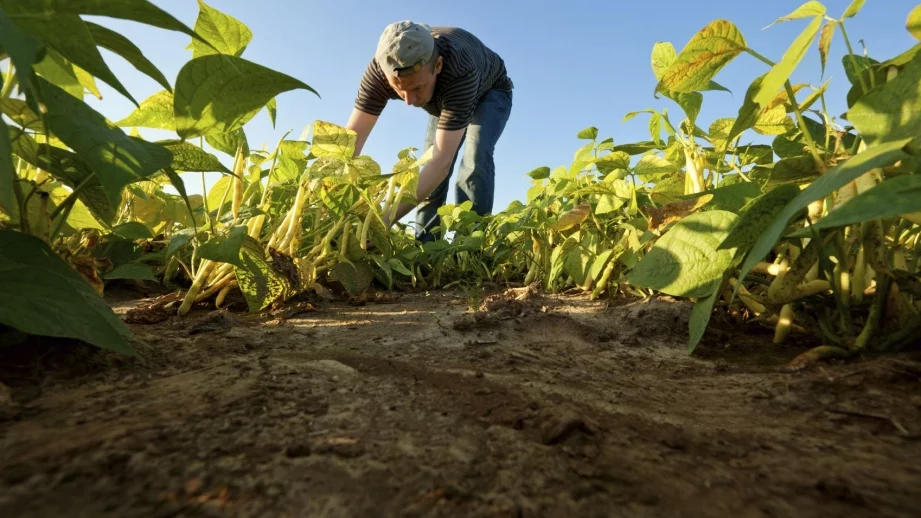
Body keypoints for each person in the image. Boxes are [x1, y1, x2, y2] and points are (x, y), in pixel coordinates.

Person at [345, 20, 513, 243]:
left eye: (417, 88)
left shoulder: (460, 69)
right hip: (441, 97)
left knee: (475, 155)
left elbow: (441, 163)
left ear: (438, 65)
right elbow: (349, 142)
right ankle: (426, 248)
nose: (410, 101)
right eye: (399, 89)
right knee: (428, 169)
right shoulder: (379, 72)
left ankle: (471, 246)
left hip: (490, 91)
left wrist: (381, 220)